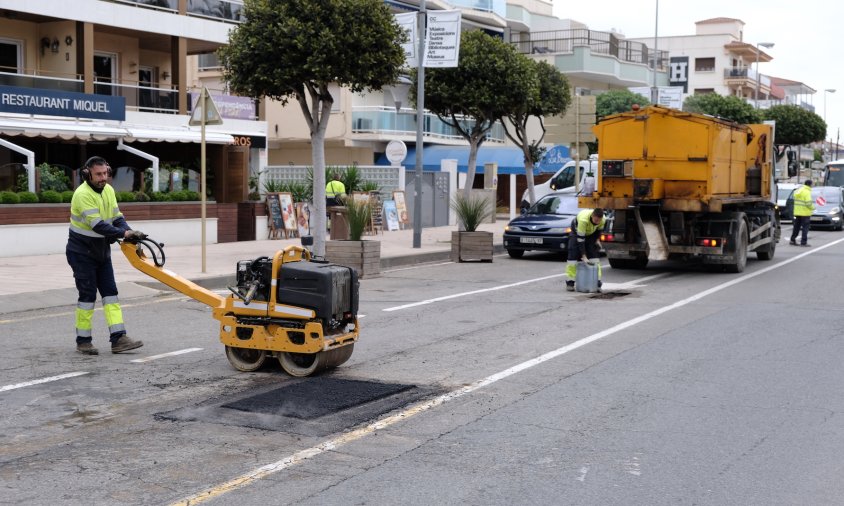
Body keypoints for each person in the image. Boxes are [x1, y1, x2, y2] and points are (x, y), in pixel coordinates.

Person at [67, 156, 144, 355]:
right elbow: (98, 225)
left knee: (111, 294)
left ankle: (119, 339)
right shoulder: (82, 194)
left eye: (105, 174)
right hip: (81, 253)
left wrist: (129, 232)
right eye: (98, 174)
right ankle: (83, 341)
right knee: (87, 296)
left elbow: (117, 218)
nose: (103, 178)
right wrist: (124, 234)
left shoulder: (109, 190)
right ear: (87, 174)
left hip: (101, 252)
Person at [566, 208, 607, 292]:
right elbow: (581, 240)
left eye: (599, 220)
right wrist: (584, 256)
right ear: (592, 216)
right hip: (577, 233)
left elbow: (598, 232)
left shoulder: (603, 220)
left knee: (594, 258)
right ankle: (570, 282)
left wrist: (596, 240)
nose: (597, 222)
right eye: (596, 220)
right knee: (572, 256)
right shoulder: (583, 220)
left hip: (590, 234)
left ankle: (597, 282)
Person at [790, 179, 814, 247]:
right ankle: (803, 242)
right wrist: (813, 208)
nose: (812, 186)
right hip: (805, 213)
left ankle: (792, 240)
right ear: (809, 185)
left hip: (797, 212)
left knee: (796, 227)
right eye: (812, 184)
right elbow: (808, 203)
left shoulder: (799, 190)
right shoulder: (807, 191)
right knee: (805, 228)